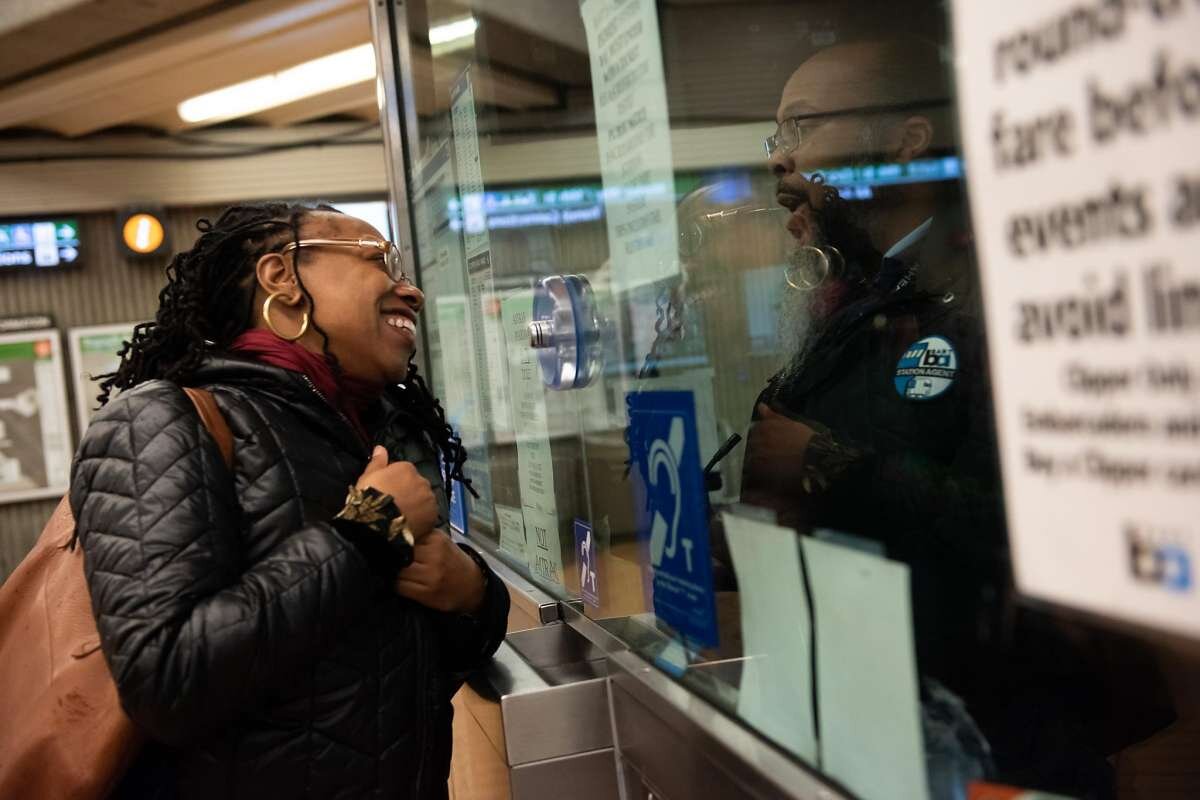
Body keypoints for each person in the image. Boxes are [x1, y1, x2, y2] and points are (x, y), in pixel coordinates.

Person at [741, 37, 1173, 798]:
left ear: (907, 142)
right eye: (779, 136)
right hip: (883, 714)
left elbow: (1040, 533)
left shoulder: (1005, 289)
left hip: (999, 740)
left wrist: (834, 464)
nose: (782, 158)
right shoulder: (860, 301)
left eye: (803, 127)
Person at [69, 201, 510, 799]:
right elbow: (167, 684)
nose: (411, 291)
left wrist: (471, 593)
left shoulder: (370, 429)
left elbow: (398, 675)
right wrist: (369, 532)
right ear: (283, 278)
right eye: (381, 259)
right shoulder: (158, 423)